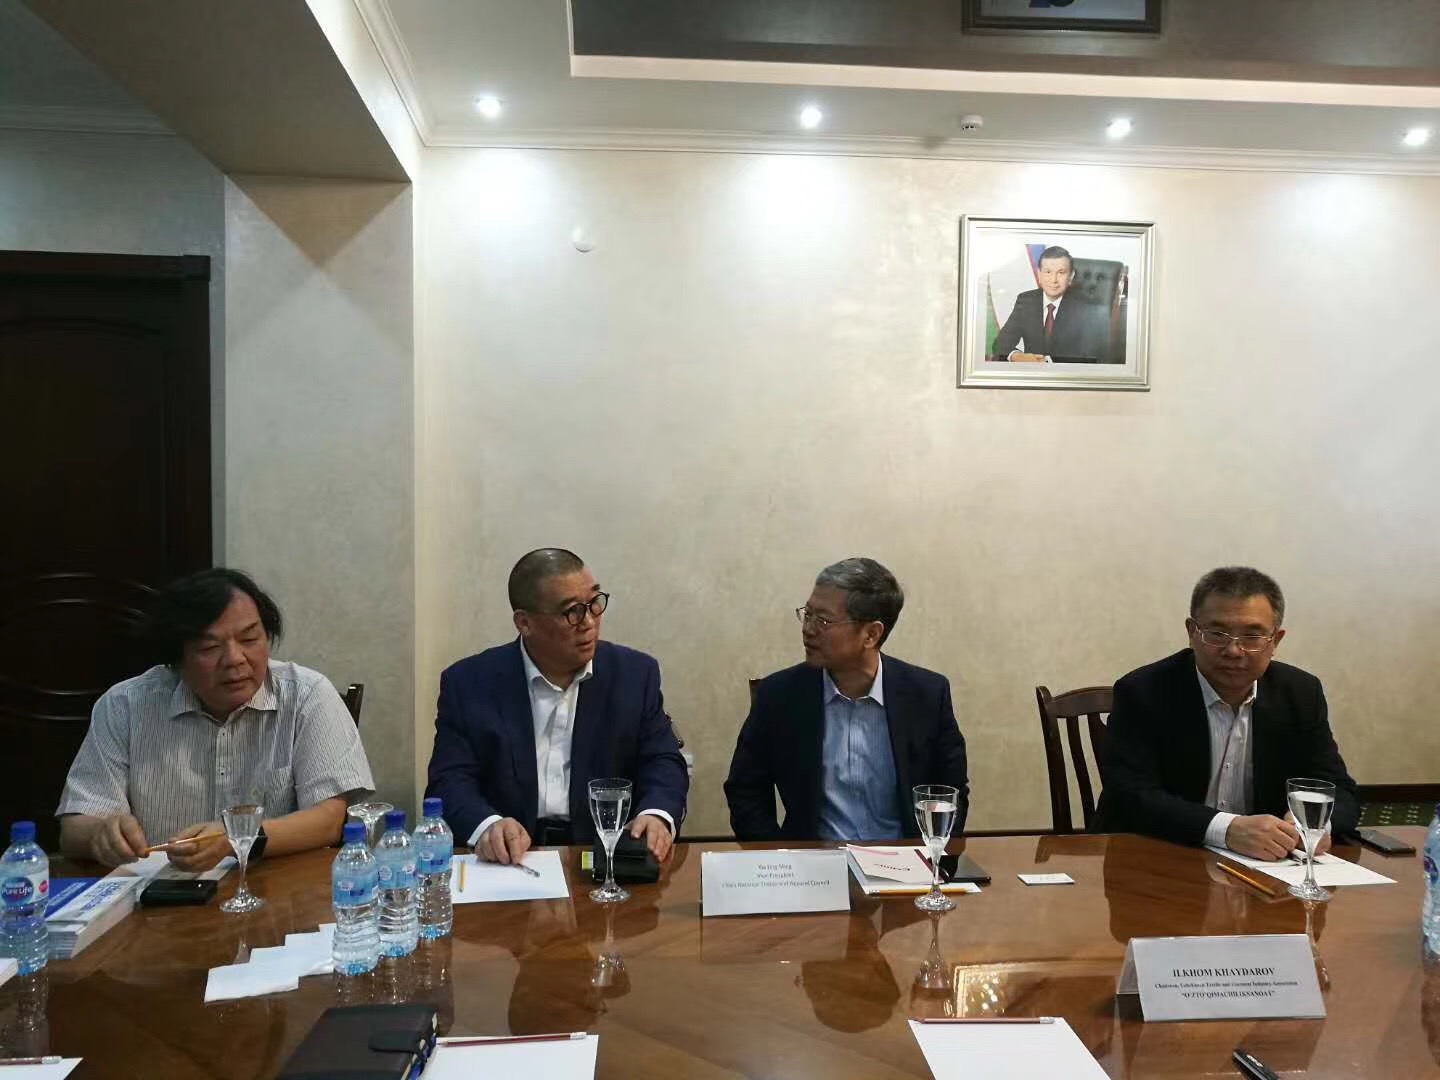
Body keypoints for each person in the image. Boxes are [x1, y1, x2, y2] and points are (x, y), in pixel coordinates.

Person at [57, 568, 375, 871]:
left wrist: (237, 837)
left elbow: (329, 820)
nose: (235, 659)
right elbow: (73, 831)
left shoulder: (307, 696)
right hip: (159, 893)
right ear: (175, 659)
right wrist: (101, 835)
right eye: (210, 647)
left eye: (249, 639)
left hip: (275, 890)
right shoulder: (124, 706)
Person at [425, 548, 687, 864]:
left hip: (603, 855)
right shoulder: (469, 683)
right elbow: (449, 781)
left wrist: (656, 813)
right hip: (510, 860)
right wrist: (487, 826)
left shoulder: (634, 675)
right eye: (572, 612)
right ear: (525, 623)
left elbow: (662, 761)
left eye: (594, 603)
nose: (589, 622)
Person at [1094, 566, 1359, 860]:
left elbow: (1339, 790)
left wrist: (1313, 827)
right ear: (1192, 632)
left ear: (1275, 640)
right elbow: (1131, 796)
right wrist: (1226, 830)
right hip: (1161, 858)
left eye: (1252, 636)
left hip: (1268, 866)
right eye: (1217, 634)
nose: (1234, 651)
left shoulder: (1300, 693)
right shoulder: (1142, 691)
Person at [724, 558, 969, 842]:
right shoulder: (779, 696)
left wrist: (931, 858)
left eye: (823, 620)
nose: (808, 629)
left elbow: (950, 794)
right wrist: (780, 859)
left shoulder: (927, 695)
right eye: (808, 614)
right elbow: (745, 792)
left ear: (871, 634)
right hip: (814, 862)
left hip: (903, 860)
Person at [991, 245, 1114, 363]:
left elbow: (1092, 356)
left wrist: (1046, 363)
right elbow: (1001, 342)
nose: (1053, 280)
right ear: (1039, 274)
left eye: (1061, 272)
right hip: (1031, 374)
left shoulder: (1087, 308)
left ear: (1071, 276)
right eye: (1048, 272)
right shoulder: (1026, 300)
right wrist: (1016, 356)